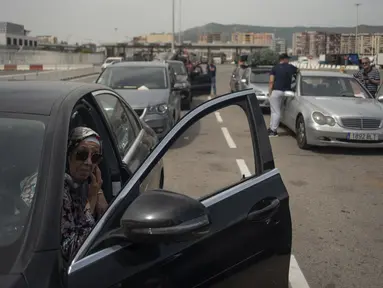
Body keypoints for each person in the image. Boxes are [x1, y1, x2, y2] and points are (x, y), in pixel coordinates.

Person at [61, 127, 108, 262]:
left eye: (95, 157)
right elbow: (74, 250)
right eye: (81, 155)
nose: (88, 162)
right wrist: (92, 199)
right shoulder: (56, 189)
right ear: (68, 155)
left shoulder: (85, 184)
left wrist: (99, 191)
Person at [268, 53, 298, 137]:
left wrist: (270, 92)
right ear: (284, 59)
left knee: (275, 111)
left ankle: (273, 131)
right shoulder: (291, 67)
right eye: (287, 59)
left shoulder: (275, 68)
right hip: (287, 92)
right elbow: (298, 73)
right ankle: (271, 128)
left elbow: (271, 81)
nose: (288, 60)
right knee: (277, 111)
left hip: (276, 91)